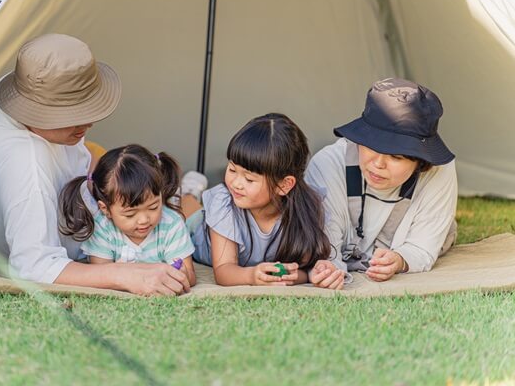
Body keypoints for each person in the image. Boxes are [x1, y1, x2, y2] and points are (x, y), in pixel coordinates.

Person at [0, 33, 190, 295]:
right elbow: (34, 266)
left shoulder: (12, 88)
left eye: (88, 109)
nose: (88, 123)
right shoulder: (27, 167)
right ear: (36, 112)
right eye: (75, 116)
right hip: (1, 251)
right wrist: (126, 274)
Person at [305, 78, 458, 282]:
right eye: (371, 146)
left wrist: (401, 259)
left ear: (421, 162)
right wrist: (330, 269)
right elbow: (324, 245)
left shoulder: (440, 172)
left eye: (396, 156)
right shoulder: (327, 164)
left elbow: (423, 246)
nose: (378, 164)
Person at [190, 113, 344, 289]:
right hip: (197, 231)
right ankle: (189, 193)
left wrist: (306, 274)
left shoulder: (307, 208)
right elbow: (224, 271)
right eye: (232, 169)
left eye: (249, 179)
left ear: (284, 185)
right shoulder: (224, 202)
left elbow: (302, 271)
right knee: (184, 213)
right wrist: (251, 276)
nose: (236, 183)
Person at [59, 144, 196, 286]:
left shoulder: (171, 224)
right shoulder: (102, 227)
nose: (144, 220)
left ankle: (192, 190)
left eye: (153, 207)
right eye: (130, 214)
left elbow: (189, 275)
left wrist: (182, 274)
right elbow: (101, 273)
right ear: (105, 209)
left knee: (190, 205)